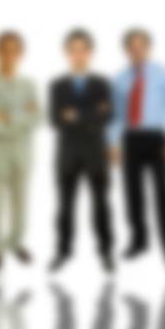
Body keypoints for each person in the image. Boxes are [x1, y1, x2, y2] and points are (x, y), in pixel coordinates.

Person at [109, 28, 165, 275]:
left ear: (149, 47)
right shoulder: (119, 78)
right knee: (133, 194)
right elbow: (116, 115)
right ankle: (139, 240)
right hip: (131, 138)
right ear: (126, 51)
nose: (137, 50)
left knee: (164, 194)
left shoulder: (164, 74)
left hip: (157, 138)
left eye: (142, 45)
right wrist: (113, 143)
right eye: (132, 46)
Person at [48, 29, 116, 273]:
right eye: (73, 49)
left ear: (90, 52)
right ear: (67, 53)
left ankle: (106, 251)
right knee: (65, 206)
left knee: (101, 204)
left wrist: (75, 114)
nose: (78, 54)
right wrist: (91, 114)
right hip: (67, 153)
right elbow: (54, 120)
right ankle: (63, 251)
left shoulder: (102, 83)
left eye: (82, 49)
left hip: (96, 152)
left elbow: (108, 116)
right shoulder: (56, 85)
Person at [0, 31, 42, 270]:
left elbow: (39, 118)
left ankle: (16, 243)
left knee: (22, 204)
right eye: (4, 49)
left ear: (21, 54)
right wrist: (21, 116)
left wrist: (9, 117)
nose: (9, 55)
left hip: (23, 154)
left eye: (14, 50)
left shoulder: (29, 84)